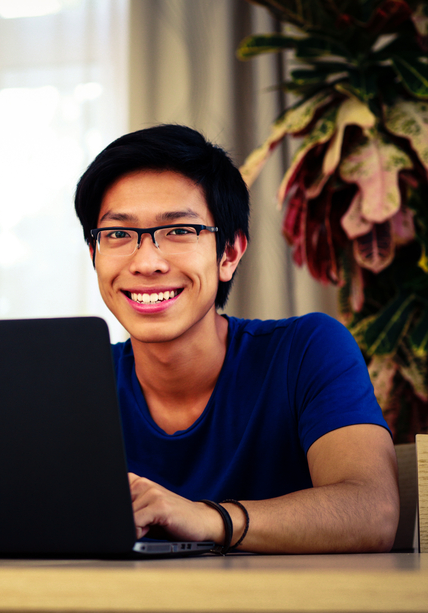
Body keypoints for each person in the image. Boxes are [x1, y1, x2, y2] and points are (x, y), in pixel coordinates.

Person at [73, 124, 399, 554]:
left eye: (179, 231)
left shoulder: (306, 351)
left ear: (229, 254)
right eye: (118, 234)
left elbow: (372, 511)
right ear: (95, 255)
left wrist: (207, 518)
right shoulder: (74, 385)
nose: (146, 261)